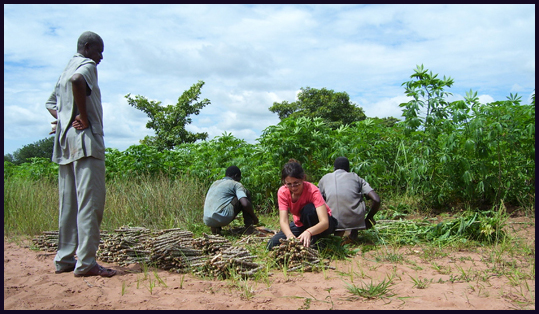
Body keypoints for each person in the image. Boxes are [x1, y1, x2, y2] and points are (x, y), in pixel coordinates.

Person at [46, 31, 116, 277]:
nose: (100, 57)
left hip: (65, 145)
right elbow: (78, 80)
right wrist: (83, 117)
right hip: (86, 143)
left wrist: (65, 118)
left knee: (68, 205)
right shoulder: (84, 66)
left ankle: (64, 259)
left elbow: (51, 104)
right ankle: (86, 263)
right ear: (87, 48)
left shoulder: (65, 70)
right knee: (90, 204)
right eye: (99, 51)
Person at [267, 159, 338, 250]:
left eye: (296, 183)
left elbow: (324, 222)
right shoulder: (283, 192)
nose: (293, 187)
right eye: (289, 184)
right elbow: (283, 220)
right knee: (272, 245)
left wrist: (309, 232)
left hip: (321, 224)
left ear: (303, 178)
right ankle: (307, 240)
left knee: (308, 210)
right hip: (301, 223)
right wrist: (289, 235)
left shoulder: (313, 191)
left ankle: (318, 242)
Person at [318, 157, 381, 241]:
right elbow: (376, 199)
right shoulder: (356, 177)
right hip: (356, 221)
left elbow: (318, 200)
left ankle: (339, 234)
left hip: (331, 221)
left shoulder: (324, 179)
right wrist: (369, 218)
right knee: (356, 198)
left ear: (334, 169)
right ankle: (353, 233)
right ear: (348, 169)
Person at [203, 166, 259, 235]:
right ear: (236, 176)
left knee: (221, 203)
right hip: (223, 217)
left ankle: (215, 228)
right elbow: (245, 204)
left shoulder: (215, 183)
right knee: (245, 194)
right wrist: (254, 217)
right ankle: (249, 228)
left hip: (207, 220)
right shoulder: (235, 184)